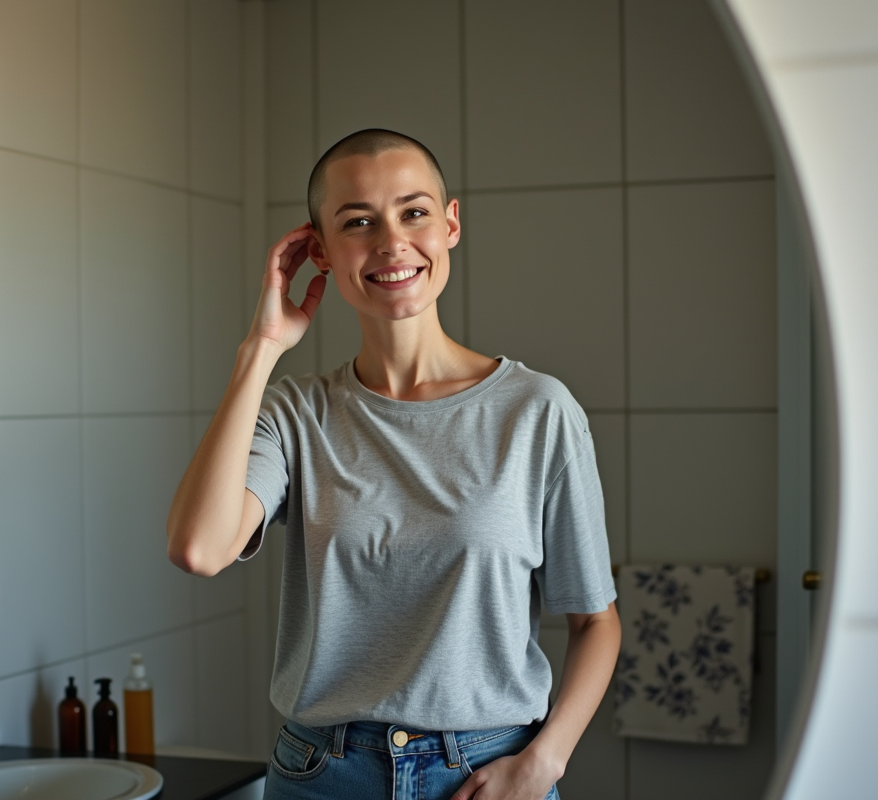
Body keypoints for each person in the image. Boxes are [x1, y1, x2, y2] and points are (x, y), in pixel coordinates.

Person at [167, 129, 621, 800]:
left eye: (413, 212)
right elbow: (200, 549)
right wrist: (260, 348)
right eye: (358, 222)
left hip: (489, 774)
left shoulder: (539, 411)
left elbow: (595, 622)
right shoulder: (296, 413)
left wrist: (544, 761)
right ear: (318, 250)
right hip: (322, 776)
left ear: (451, 225)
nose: (390, 241)